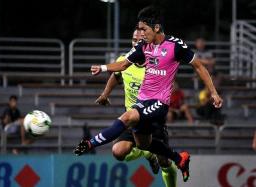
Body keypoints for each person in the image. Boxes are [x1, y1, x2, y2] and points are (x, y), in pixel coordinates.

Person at [74, 6, 223, 182]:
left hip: (159, 103)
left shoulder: (175, 46)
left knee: (128, 117)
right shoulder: (144, 46)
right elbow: (122, 66)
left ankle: (90, 143)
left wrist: (213, 92)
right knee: (144, 144)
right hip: (142, 102)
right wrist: (103, 67)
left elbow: (199, 66)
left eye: (144, 29)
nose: (141, 34)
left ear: (157, 28)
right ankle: (179, 158)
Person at [95, 28, 177, 187]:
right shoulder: (123, 61)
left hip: (153, 119)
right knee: (118, 152)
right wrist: (105, 94)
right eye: (134, 40)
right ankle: (146, 152)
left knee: (164, 161)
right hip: (132, 119)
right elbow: (115, 76)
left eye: (140, 40)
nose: (136, 43)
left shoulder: (156, 64)